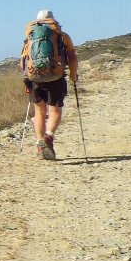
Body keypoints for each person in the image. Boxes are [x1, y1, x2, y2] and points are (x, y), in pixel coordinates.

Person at [21, 10, 78, 160]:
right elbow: (72, 57)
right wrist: (73, 75)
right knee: (55, 111)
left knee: (39, 111)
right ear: (53, 21)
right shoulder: (62, 36)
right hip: (56, 77)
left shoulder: (30, 36)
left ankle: (40, 145)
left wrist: (27, 81)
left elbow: (23, 62)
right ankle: (49, 137)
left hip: (35, 78)